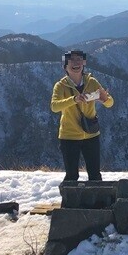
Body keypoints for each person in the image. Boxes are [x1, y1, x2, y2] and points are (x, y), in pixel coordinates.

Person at [50, 50, 114, 181]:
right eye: (72, 60)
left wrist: (105, 99)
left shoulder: (92, 82)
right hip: (69, 136)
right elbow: (54, 106)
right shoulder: (60, 86)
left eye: (79, 60)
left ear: (84, 63)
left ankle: (97, 201)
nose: (76, 63)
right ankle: (71, 201)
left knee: (95, 175)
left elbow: (110, 103)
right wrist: (74, 99)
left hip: (91, 134)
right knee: (72, 176)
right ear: (65, 65)